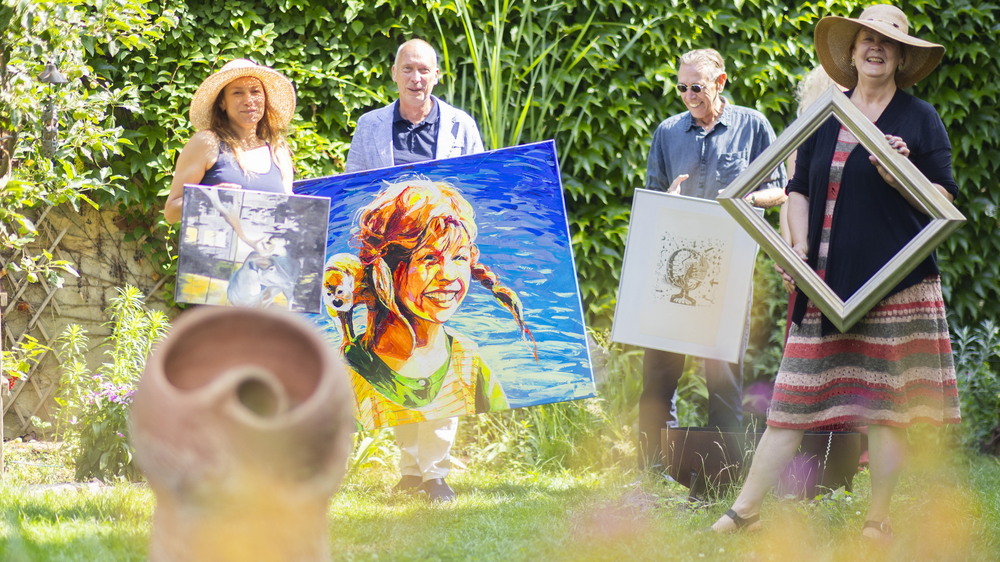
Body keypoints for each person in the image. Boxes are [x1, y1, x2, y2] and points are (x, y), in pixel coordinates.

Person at [708, 5, 960, 540]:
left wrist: (901, 173)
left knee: (886, 410)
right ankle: (743, 513)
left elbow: (943, 199)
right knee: (791, 400)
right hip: (827, 287)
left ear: (901, 58)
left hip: (894, 284)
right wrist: (797, 248)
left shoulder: (920, 120)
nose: (875, 48)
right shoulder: (826, 114)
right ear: (850, 52)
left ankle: (878, 521)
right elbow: (797, 188)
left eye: (887, 43)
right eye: (866, 39)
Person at [343, 38, 485, 502]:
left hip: (436, 262)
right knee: (397, 355)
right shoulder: (370, 128)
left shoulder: (461, 126)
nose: (416, 77)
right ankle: (409, 468)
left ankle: (436, 471)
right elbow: (355, 188)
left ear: (437, 75)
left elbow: (478, 182)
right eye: (408, 69)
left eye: (424, 70)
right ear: (395, 73)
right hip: (395, 265)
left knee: (437, 356)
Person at [639, 48, 788, 470]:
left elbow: (780, 190)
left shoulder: (753, 125)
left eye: (697, 87)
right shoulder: (667, 131)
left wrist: (743, 198)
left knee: (722, 376)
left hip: (728, 271)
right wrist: (665, 199)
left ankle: (721, 471)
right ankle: (653, 469)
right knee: (659, 374)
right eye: (682, 87)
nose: (688, 95)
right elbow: (652, 195)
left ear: (720, 82)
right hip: (673, 270)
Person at [343, 178, 527, 427]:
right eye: (429, 258)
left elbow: (504, 431)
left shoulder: (467, 358)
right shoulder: (345, 376)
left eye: (459, 257)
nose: (448, 275)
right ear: (385, 269)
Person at [164, 58, 296, 223]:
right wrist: (208, 198)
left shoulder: (278, 153)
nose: (248, 100)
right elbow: (170, 213)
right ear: (222, 103)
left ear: (265, 99)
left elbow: (288, 216)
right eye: (237, 93)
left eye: (255, 91)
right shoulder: (207, 143)